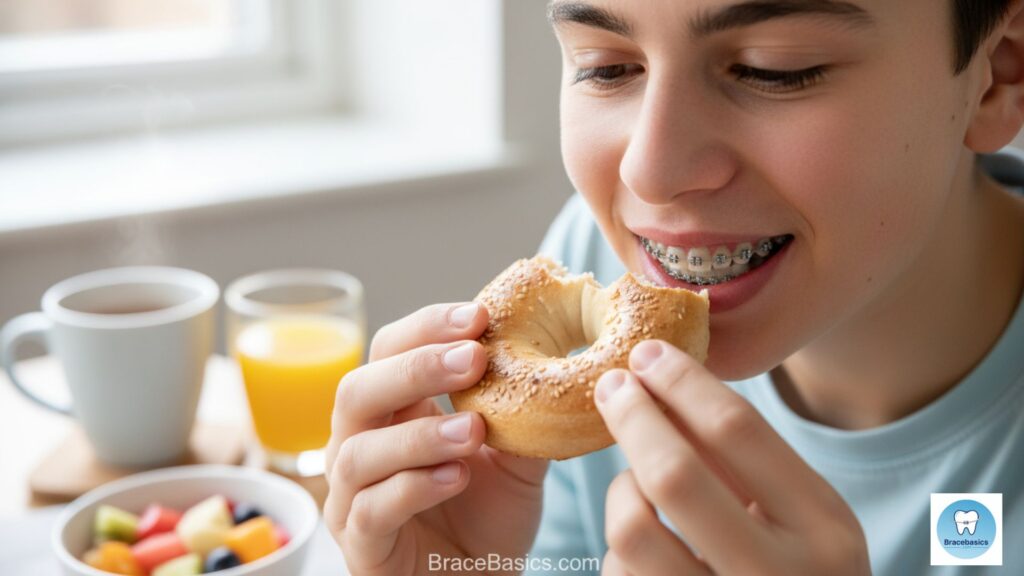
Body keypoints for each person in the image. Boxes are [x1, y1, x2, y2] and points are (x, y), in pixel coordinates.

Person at [322, 0, 1024, 573]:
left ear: (997, 74)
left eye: (772, 71)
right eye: (607, 68)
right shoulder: (595, 257)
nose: (651, 172)